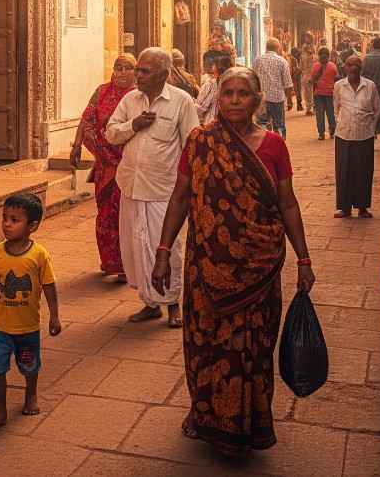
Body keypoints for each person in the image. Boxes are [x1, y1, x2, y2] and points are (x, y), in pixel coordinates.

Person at [152, 67, 316, 456]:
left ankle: (252, 422)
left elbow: (287, 204)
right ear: (218, 99)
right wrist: (163, 252)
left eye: (244, 94)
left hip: (258, 265)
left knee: (254, 347)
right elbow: (179, 198)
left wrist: (304, 258)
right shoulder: (200, 142)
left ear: (258, 100)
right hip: (206, 266)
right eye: (228, 93)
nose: (235, 100)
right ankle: (203, 413)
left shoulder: (274, 145)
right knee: (204, 342)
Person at [105, 47, 200, 327]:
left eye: (144, 71)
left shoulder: (182, 101)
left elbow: (191, 145)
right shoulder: (130, 101)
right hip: (132, 186)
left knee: (167, 249)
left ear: (163, 73)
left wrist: (190, 188)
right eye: (138, 69)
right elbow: (111, 133)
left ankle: (173, 305)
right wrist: (133, 125)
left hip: (164, 191)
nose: (138, 75)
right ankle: (149, 303)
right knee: (137, 248)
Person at [0, 193, 61, 431]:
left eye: (14, 219)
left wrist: (55, 316)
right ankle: (0, 412)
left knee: (29, 366)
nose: (6, 223)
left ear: (32, 226)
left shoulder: (39, 255)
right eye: (5, 218)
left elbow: (49, 286)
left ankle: (31, 395)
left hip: (27, 328)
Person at [70, 54, 137, 281]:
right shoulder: (102, 91)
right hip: (105, 166)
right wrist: (77, 145)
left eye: (128, 68)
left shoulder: (138, 97)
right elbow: (87, 119)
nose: (122, 72)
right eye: (119, 67)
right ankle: (109, 261)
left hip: (129, 165)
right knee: (105, 213)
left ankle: (124, 264)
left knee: (124, 215)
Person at [333, 55, 380, 218]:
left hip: (364, 135)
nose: (352, 68)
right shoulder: (339, 86)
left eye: (356, 66)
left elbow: (377, 109)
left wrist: (371, 127)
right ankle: (344, 208)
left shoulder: (370, 86)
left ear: (361, 69)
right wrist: (342, 121)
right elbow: (336, 107)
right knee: (344, 171)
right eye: (349, 65)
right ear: (345, 67)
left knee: (363, 171)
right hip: (344, 135)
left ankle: (362, 208)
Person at [251, 39, 294, 138]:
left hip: (262, 99)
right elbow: (288, 84)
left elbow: (252, 79)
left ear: (266, 47)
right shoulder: (282, 61)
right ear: (278, 48)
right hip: (277, 99)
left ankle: (262, 144)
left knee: (261, 124)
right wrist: (290, 100)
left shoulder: (258, 60)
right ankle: (280, 144)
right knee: (279, 125)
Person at [309, 47, 340, 139]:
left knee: (319, 114)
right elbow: (336, 78)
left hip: (318, 93)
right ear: (328, 55)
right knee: (330, 113)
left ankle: (321, 134)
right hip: (330, 93)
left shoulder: (315, 66)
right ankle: (332, 131)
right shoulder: (333, 66)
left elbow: (312, 80)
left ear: (318, 56)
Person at [195, 53, 230, 125]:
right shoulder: (232, 83)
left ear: (216, 68)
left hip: (211, 125)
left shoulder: (210, 84)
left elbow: (200, 108)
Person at [288, 47, 304, 112]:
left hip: (293, 76)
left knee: (292, 91)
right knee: (297, 91)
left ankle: (291, 104)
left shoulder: (291, 58)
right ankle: (298, 105)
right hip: (295, 77)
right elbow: (295, 69)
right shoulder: (293, 59)